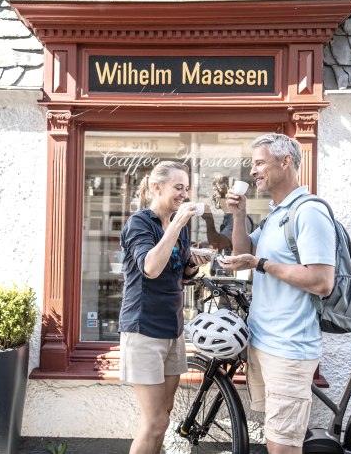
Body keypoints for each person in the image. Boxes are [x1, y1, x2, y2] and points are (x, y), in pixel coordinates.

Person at [217, 133, 336, 454]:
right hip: (265, 342)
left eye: (259, 163)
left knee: (283, 446)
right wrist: (239, 215)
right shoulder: (276, 213)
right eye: (252, 164)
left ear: (286, 162)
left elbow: (322, 281)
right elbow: (244, 250)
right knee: (275, 439)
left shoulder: (308, 212)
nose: (253, 170)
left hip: (289, 347)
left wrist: (262, 263)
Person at [118, 160, 210, 454]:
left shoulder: (178, 227)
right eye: (178, 187)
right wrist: (179, 223)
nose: (184, 194)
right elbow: (151, 268)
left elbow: (178, 274)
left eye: (186, 188)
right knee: (155, 422)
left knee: (164, 415)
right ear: (157, 187)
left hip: (173, 329)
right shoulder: (140, 223)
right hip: (144, 330)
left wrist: (193, 265)